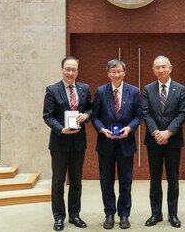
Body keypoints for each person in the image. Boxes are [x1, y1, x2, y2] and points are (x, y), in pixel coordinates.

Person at [91, 59, 142, 230]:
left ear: (124, 72)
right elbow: (95, 116)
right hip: (105, 143)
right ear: (108, 73)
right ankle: (109, 214)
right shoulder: (100, 91)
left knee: (126, 182)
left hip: (126, 144)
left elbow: (138, 115)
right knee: (106, 182)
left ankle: (124, 214)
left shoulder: (134, 91)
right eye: (113, 71)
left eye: (119, 71)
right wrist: (102, 129)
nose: (116, 74)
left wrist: (130, 128)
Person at [43, 56, 92, 231]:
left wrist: (86, 115)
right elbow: (47, 115)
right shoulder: (52, 90)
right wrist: (61, 129)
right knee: (58, 181)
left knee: (76, 181)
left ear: (77, 71)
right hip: (59, 143)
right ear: (62, 69)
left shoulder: (84, 88)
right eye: (68, 69)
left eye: (74, 70)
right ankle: (59, 217)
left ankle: (75, 215)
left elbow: (91, 108)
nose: (71, 72)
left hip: (79, 143)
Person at [142, 56, 185, 228]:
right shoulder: (148, 89)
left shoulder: (180, 89)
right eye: (157, 67)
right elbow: (145, 113)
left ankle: (173, 215)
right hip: (153, 141)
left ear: (170, 68)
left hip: (173, 140)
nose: (161, 70)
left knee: (173, 178)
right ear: (153, 70)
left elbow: (182, 113)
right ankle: (156, 214)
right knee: (155, 178)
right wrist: (156, 132)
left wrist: (168, 132)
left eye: (164, 67)